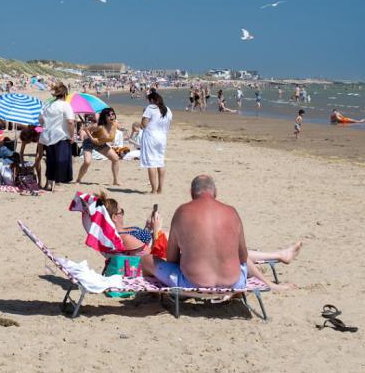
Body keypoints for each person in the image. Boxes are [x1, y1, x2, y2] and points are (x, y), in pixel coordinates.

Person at [138, 175, 291, 292]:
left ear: (191, 193)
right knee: (239, 259)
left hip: (192, 283)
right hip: (235, 282)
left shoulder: (182, 212)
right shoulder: (231, 212)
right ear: (215, 192)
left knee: (146, 260)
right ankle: (270, 283)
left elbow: (171, 259)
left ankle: (153, 296)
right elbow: (243, 257)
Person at [39, 82, 76, 191]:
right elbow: (70, 122)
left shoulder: (47, 105)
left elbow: (40, 120)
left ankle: (49, 183)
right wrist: (71, 135)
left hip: (47, 136)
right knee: (61, 160)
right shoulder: (65, 105)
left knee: (50, 160)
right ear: (65, 94)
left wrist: (46, 126)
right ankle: (57, 185)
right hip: (61, 136)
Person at [76, 108, 121, 186]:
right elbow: (85, 129)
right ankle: (78, 180)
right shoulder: (99, 126)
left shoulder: (115, 124)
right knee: (87, 162)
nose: (111, 116)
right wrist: (90, 137)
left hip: (101, 144)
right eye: (108, 115)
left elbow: (115, 131)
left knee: (115, 159)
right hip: (89, 143)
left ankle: (115, 181)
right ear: (104, 117)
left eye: (112, 114)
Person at [137, 90, 171, 194]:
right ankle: (160, 188)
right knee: (160, 161)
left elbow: (144, 124)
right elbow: (168, 125)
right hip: (162, 137)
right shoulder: (167, 109)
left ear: (152, 100)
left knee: (151, 163)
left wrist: (142, 117)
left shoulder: (150, 108)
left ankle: (154, 189)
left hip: (151, 136)